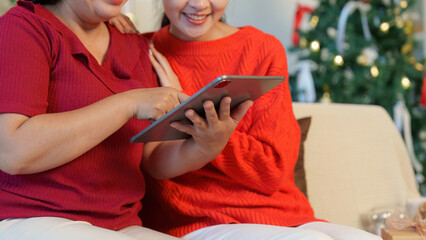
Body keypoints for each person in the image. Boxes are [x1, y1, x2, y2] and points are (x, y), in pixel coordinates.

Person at [108, 1, 383, 240]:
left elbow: (272, 170)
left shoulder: (262, 49)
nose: (199, 5)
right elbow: (153, 163)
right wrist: (106, 16)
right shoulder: (144, 51)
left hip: (284, 215)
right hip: (197, 222)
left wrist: (198, 114)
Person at [0, 0, 253, 240]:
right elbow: (13, 152)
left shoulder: (133, 45)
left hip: (120, 225)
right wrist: (128, 104)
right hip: (29, 217)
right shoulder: (23, 27)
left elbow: (151, 159)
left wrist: (206, 146)